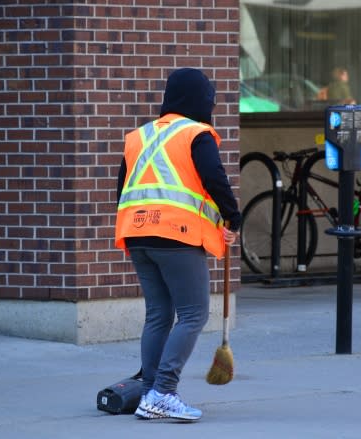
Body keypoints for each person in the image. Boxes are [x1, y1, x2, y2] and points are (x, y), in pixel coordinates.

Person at [114, 68, 241, 422]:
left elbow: (123, 190)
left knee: (158, 314)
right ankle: (164, 392)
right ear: (200, 100)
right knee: (193, 313)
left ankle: (150, 392)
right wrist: (233, 216)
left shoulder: (138, 136)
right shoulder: (195, 134)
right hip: (176, 236)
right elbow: (213, 178)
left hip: (137, 234)